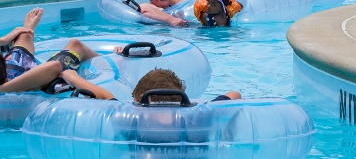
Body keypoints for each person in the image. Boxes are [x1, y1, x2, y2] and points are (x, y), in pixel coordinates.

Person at [0, 8, 100, 93]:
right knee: (76, 45)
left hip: (10, 68)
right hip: (23, 79)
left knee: (24, 34)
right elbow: (54, 66)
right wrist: (5, 89)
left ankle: (27, 30)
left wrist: (3, 40)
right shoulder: (10, 84)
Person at [59, 68, 241, 103]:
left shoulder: (127, 120)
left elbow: (104, 95)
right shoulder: (198, 119)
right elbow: (234, 94)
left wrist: (72, 77)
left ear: (138, 99)